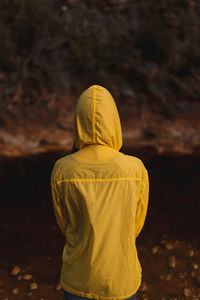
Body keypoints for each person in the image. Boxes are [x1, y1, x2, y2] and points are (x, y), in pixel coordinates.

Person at [51, 85, 149, 300]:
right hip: (121, 279)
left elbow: (65, 224)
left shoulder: (62, 169)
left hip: (78, 278)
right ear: (114, 121)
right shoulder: (135, 168)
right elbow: (136, 224)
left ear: (78, 121)